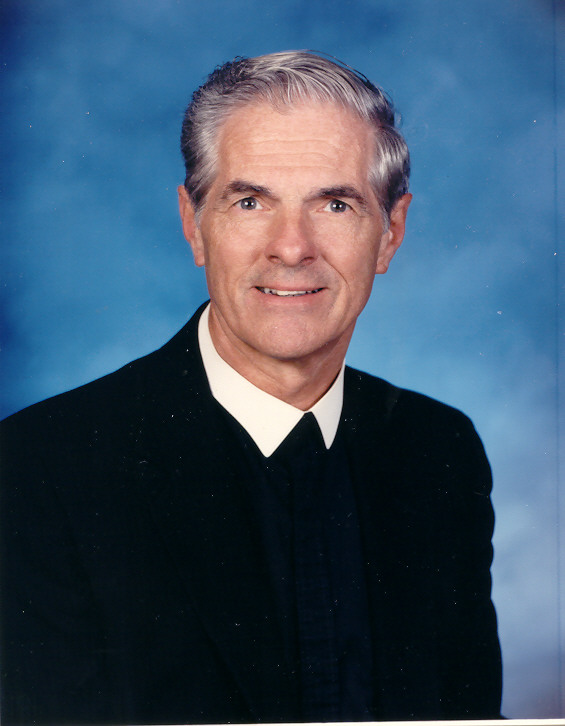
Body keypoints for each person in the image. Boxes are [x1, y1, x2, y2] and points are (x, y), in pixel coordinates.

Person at [0, 51, 502, 724]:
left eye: (335, 203)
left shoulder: (439, 450)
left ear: (390, 233)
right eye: (249, 201)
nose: (291, 247)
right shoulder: (41, 467)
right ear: (194, 225)